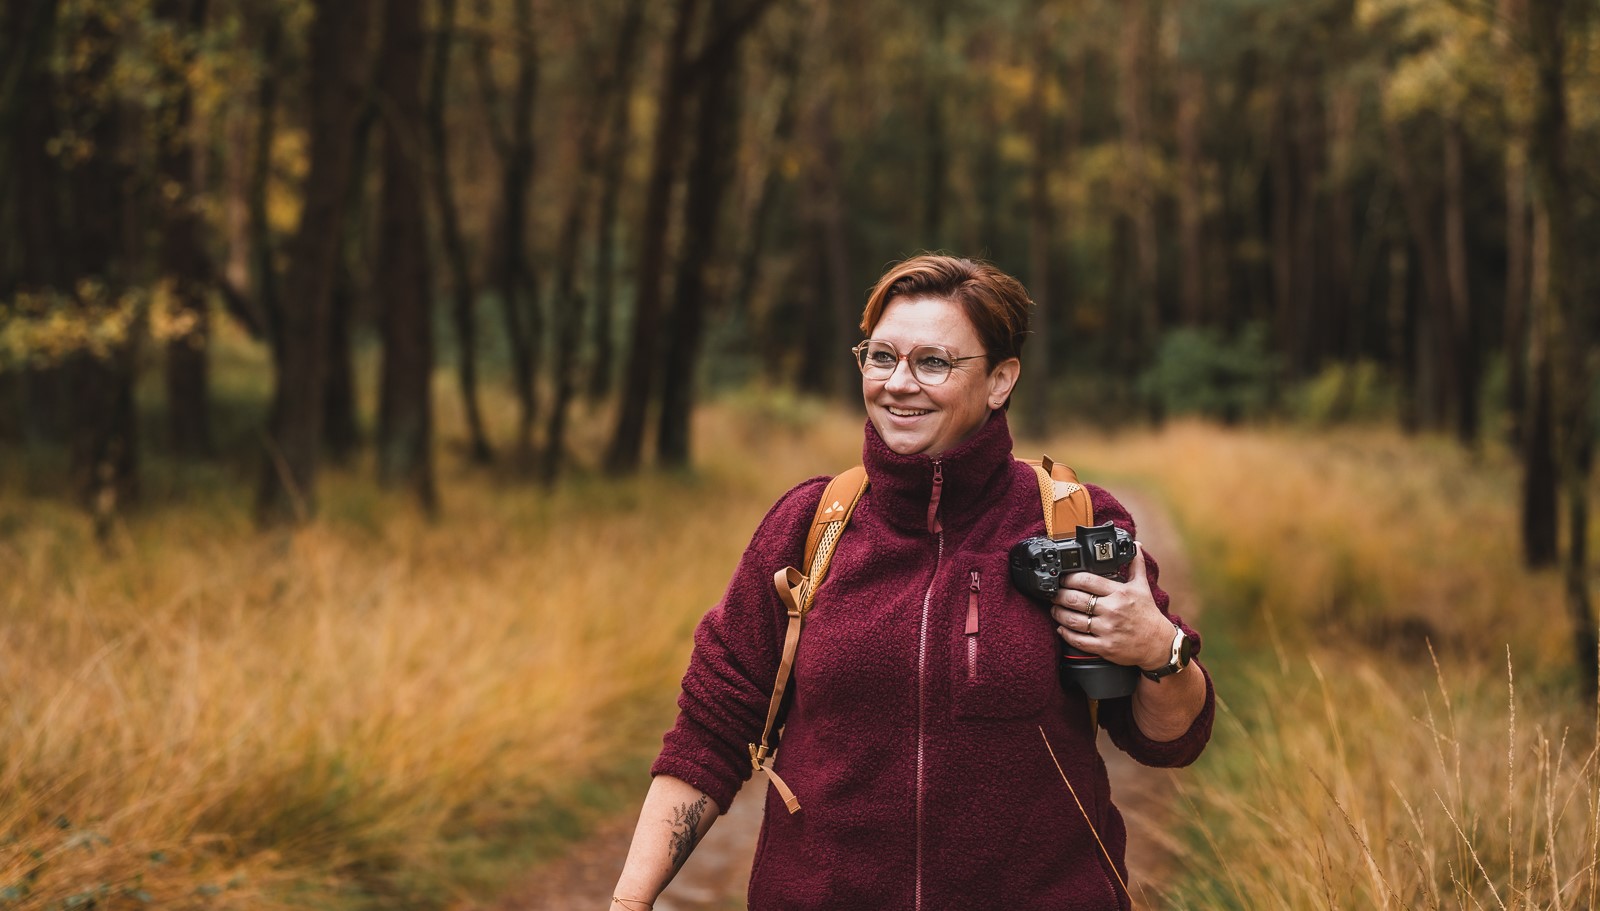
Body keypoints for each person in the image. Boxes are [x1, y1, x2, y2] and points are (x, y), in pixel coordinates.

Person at [608, 254, 1214, 911]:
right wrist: (628, 901)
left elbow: (1169, 737)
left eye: (933, 362)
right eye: (880, 356)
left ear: (1001, 380)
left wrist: (1161, 649)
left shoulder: (1072, 523)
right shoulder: (810, 526)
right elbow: (711, 730)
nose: (898, 383)